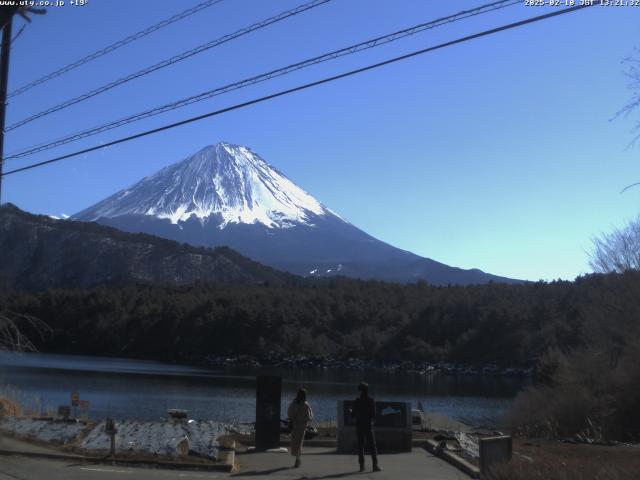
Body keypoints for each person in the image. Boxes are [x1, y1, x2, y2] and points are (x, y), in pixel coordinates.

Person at [352, 382, 381, 472]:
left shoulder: (357, 401)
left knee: (361, 446)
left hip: (359, 425)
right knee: (372, 446)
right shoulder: (371, 400)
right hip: (368, 425)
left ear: (360, 391)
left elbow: (352, 414)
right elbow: (373, 414)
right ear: (367, 390)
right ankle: (375, 466)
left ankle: (361, 466)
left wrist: (353, 412)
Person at [287, 388, 313, 468]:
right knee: (299, 443)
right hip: (302, 427)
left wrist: (293, 419)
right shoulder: (306, 405)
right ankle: (298, 459)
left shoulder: (293, 403)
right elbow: (309, 417)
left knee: (294, 442)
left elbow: (289, 413)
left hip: (294, 426)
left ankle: (297, 457)